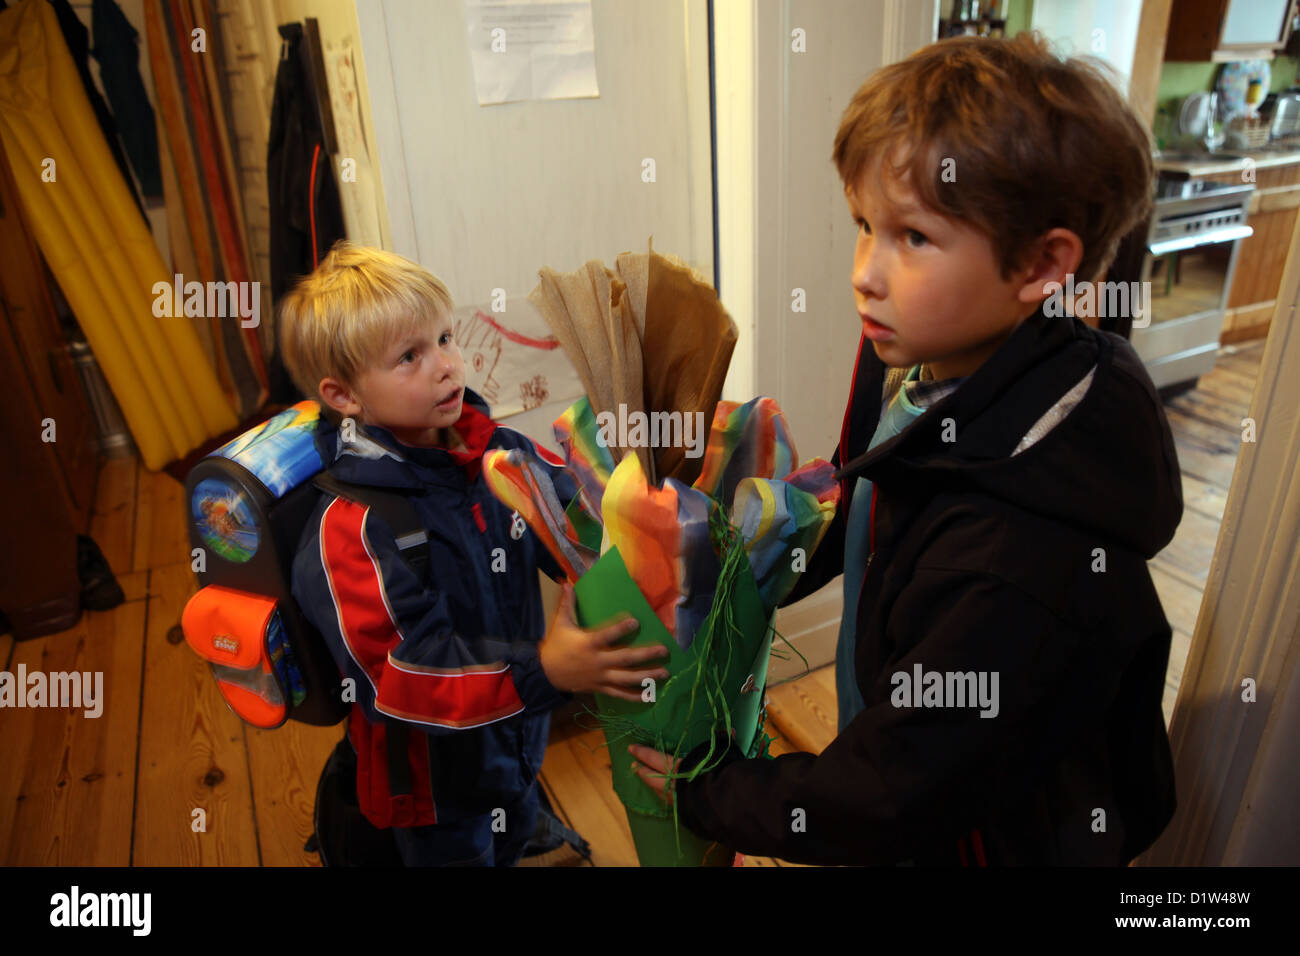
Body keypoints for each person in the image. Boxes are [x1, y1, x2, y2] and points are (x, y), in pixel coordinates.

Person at [630, 32, 1181, 866]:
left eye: (913, 238)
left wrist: (715, 793)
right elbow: (873, 496)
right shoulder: (914, 359)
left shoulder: (1015, 560)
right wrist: (751, 562)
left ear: (1042, 264)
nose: (864, 272)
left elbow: (889, 792)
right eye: (863, 225)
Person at [282, 241, 669, 866]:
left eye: (444, 338)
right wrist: (545, 670)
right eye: (409, 356)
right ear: (346, 396)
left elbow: (580, 526)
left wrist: (648, 519)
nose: (446, 366)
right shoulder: (352, 531)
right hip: (434, 788)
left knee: (513, 826)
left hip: (514, 733)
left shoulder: (500, 453)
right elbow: (403, 676)